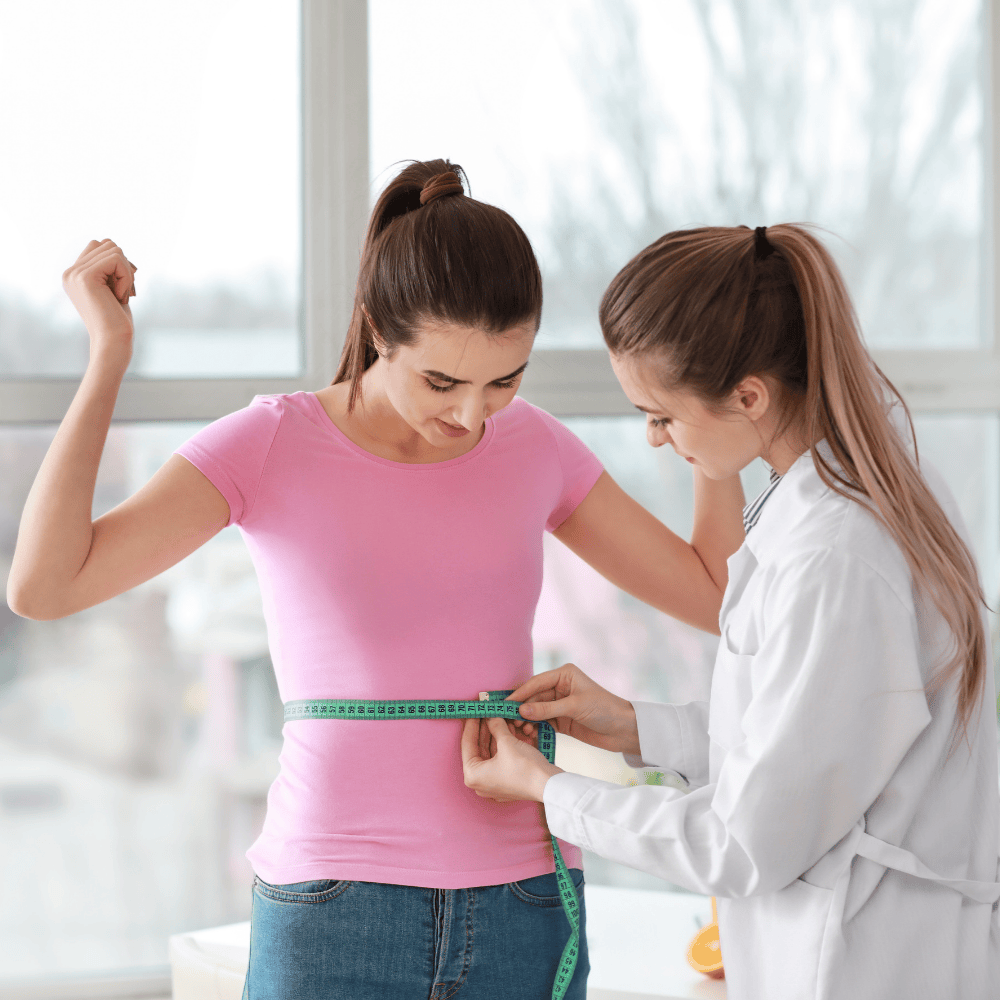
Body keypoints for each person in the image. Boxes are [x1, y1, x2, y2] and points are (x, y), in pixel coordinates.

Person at [6, 161, 746, 999]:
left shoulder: (535, 447)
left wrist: (706, 406)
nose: (470, 415)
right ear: (377, 329)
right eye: (442, 381)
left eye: (503, 381)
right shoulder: (272, 444)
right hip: (334, 907)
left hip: (524, 901)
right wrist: (108, 358)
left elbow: (715, 594)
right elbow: (47, 585)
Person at [462, 223, 1000, 999]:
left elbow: (747, 841)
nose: (655, 439)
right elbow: (811, 746)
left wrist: (552, 791)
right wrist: (636, 727)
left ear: (749, 396)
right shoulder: (845, 500)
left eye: (662, 415)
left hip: (863, 965)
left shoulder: (835, 557)